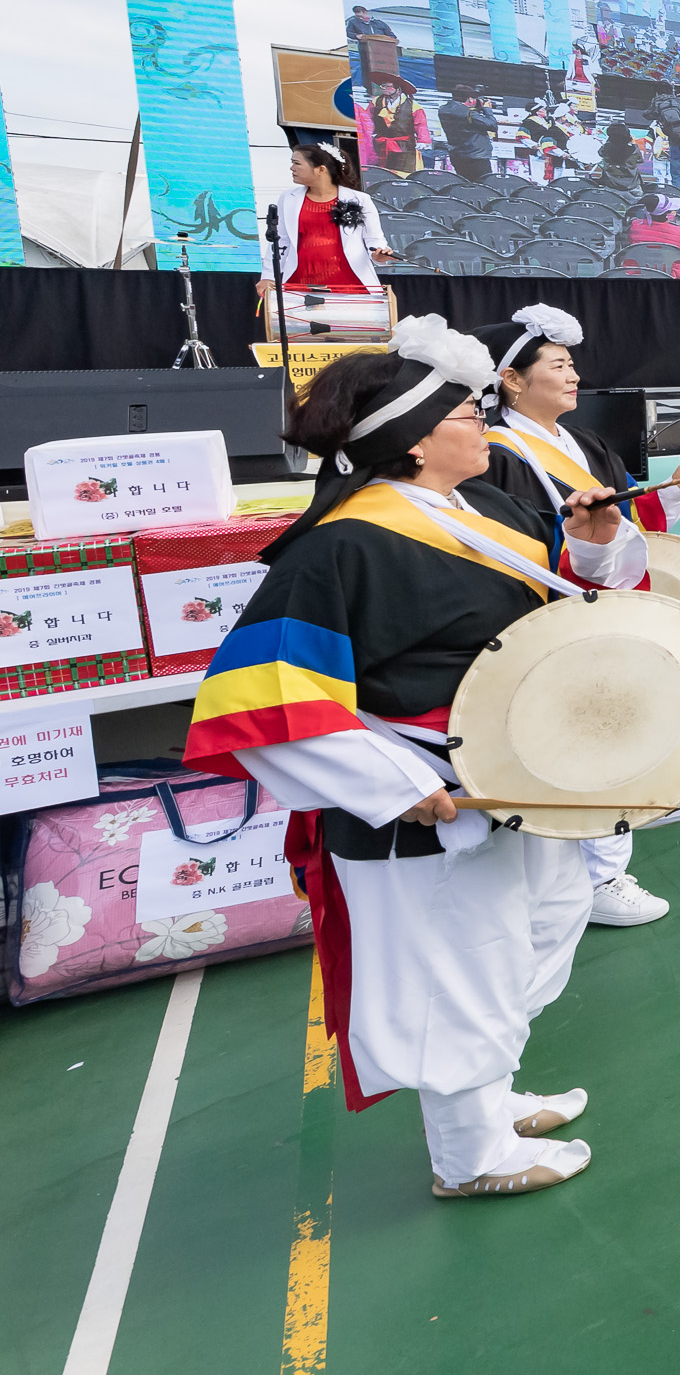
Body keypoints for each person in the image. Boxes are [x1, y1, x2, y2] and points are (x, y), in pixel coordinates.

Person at [179, 318, 647, 1198]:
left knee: (536, 930)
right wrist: (399, 787)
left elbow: (567, 609)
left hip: (517, 780)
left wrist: (590, 540)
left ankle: (493, 1095)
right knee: (461, 965)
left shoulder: (494, 510)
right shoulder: (340, 546)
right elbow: (262, 696)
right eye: (466, 414)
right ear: (416, 441)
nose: (482, 424)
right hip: (431, 796)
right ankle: (469, 1155)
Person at [467, 304, 680, 928]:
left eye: (573, 364)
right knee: (571, 736)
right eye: (558, 365)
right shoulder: (497, 455)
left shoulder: (585, 444)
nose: (574, 376)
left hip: (601, 608)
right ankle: (598, 874)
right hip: (547, 616)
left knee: (605, 732)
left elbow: (628, 528)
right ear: (513, 380)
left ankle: (599, 870)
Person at [259, 138, 394, 305]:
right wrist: (268, 276)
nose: (291, 168)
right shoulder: (288, 198)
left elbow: (374, 238)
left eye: (297, 163)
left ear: (320, 169)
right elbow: (280, 241)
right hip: (300, 284)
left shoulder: (359, 199)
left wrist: (379, 254)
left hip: (350, 284)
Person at [369, 78, 424, 178]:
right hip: (382, 144)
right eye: (383, 86)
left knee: (403, 173)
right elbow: (367, 119)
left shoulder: (413, 106)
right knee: (381, 172)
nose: (384, 88)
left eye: (388, 86)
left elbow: (420, 124)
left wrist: (423, 140)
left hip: (405, 145)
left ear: (398, 89)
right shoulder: (376, 101)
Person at [437, 91, 498, 182]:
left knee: (464, 183)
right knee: (482, 185)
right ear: (470, 98)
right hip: (476, 156)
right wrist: (487, 109)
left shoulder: (443, 110)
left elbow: (467, 123)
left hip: (457, 154)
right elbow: (492, 125)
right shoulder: (470, 114)